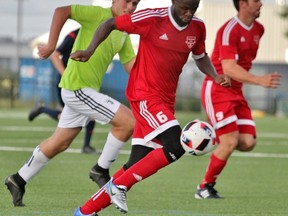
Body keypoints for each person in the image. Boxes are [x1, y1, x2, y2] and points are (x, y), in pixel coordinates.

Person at [69, 0, 230, 215]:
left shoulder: (198, 27)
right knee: (176, 144)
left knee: (137, 163)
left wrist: (215, 76)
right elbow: (110, 24)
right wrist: (90, 50)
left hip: (165, 102)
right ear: (173, 2)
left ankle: (85, 211)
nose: (188, 13)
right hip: (143, 95)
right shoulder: (152, 18)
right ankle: (118, 187)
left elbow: (200, 57)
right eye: (184, 8)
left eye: (193, 8)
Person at [4, 0, 141, 207]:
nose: (131, 7)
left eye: (136, 3)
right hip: (77, 88)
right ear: (113, 0)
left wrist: (154, 76)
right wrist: (51, 45)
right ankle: (100, 170)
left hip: (85, 91)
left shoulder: (123, 31)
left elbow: (130, 65)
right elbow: (61, 11)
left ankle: (18, 179)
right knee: (128, 122)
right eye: (128, 1)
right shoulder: (96, 14)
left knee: (60, 142)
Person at [194, 0, 282, 199]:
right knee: (230, 140)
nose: (260, 4)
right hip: (217, 88)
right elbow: (229, 68)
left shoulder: (259, 29)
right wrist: (260, 80)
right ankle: (204, 187)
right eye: (256, 1)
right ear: (243, 3)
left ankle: (207, 135)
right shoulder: (229, 30)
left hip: (236, 91)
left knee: (248, 142)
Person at [28, 28, 96, 154]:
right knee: (85, 114)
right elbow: (55, 54)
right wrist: (66, 75)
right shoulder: (74, 35)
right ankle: (86, 146)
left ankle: (42, 109)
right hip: (67, 83)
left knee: (79, 115)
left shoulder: (96, 36)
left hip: (81, 82)